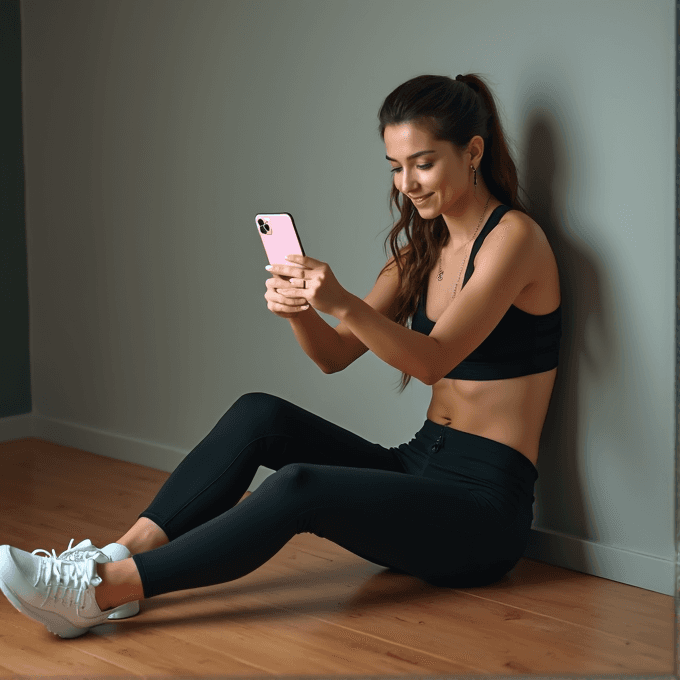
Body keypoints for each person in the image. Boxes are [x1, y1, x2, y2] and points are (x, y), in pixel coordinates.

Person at [0, 73, 561, 639]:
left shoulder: (514, 239)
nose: (407, 183)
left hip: (482, 511)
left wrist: (340, 300)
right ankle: (113, 557)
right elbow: (335, 356)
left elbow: (433, 360)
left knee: (301, 486)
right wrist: (300, 311)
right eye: (395, 166)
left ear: (473, 152)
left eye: (423, 163)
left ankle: (101, 593)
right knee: (258, 414)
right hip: (417, 467)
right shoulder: (423, 248)